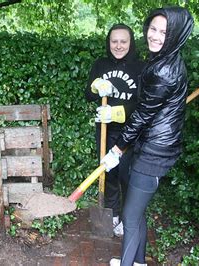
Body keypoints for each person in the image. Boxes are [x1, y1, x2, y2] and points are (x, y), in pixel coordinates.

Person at [102, 7, 194, 266]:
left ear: (175, 34)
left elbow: (142, 116)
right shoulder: (165, 59)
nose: (154, 36)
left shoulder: (164, 70)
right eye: (152, 28)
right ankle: (139, 261)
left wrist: (117, 149)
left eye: (163, 32)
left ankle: (127, 263)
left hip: (155, 151)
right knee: (136, 210)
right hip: (151, 144)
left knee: (130, 217)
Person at [85, 24, 145, 237]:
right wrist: (95, 86)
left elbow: (143, 104)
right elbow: (88, 95)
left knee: (127, 176)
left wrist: (117, 112)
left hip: (131, 132)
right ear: (108, 42)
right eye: (114, 41)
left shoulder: (140, 67)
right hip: (105, 130)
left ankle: (128, 218)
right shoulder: (101, 64)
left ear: (131, 43)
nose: (118, 45)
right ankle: (112, 214)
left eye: (123, 41)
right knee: (108, 173)